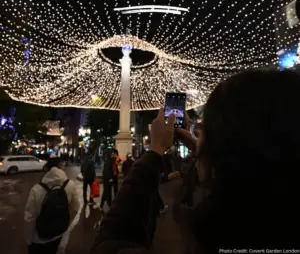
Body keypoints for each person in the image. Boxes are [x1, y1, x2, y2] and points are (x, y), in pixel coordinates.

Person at [90, 69, 300, 253]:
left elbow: (109, 242)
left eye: (205, 133)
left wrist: (154, 152)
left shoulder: (213, 236)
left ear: (221, 162)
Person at [24, 157, 80, 254]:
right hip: (58, 233)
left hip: (39, 237)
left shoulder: (37, 188)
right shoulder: (70, 184)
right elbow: (75, 207)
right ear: (60, 167)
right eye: (63, 165)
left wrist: (29, 239)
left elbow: (30, 217)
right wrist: (65, 224)